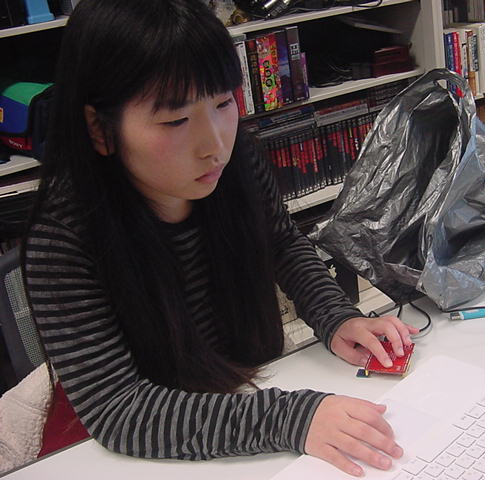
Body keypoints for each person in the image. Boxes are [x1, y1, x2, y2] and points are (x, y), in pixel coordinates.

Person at [21, 0, 419, 476]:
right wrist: (291, 417)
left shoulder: (237, 163)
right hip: (126, 443)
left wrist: (336, 318)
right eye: (175, 121)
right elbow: (118, 410)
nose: (215, 145)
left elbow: (280, 242)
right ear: (100, 129)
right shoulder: (63, 238)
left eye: (223, 103)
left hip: (228, 396)